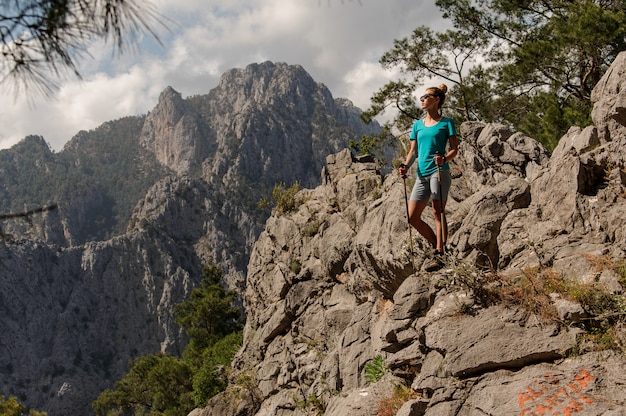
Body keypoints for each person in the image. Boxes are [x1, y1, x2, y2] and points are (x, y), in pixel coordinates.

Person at [399, 84, 459, 271]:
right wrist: (405, 166)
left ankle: (440, 252)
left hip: (439, 171)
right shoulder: (417, 125)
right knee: (412, 217)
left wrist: (444, 159)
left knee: (437, 211)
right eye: (422, 97)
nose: (422, 99)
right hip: (421, 174)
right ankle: (440, 248)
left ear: (437, 100)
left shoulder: (447, 122)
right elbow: (413, 151)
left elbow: (455, 149)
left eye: (426, 96)